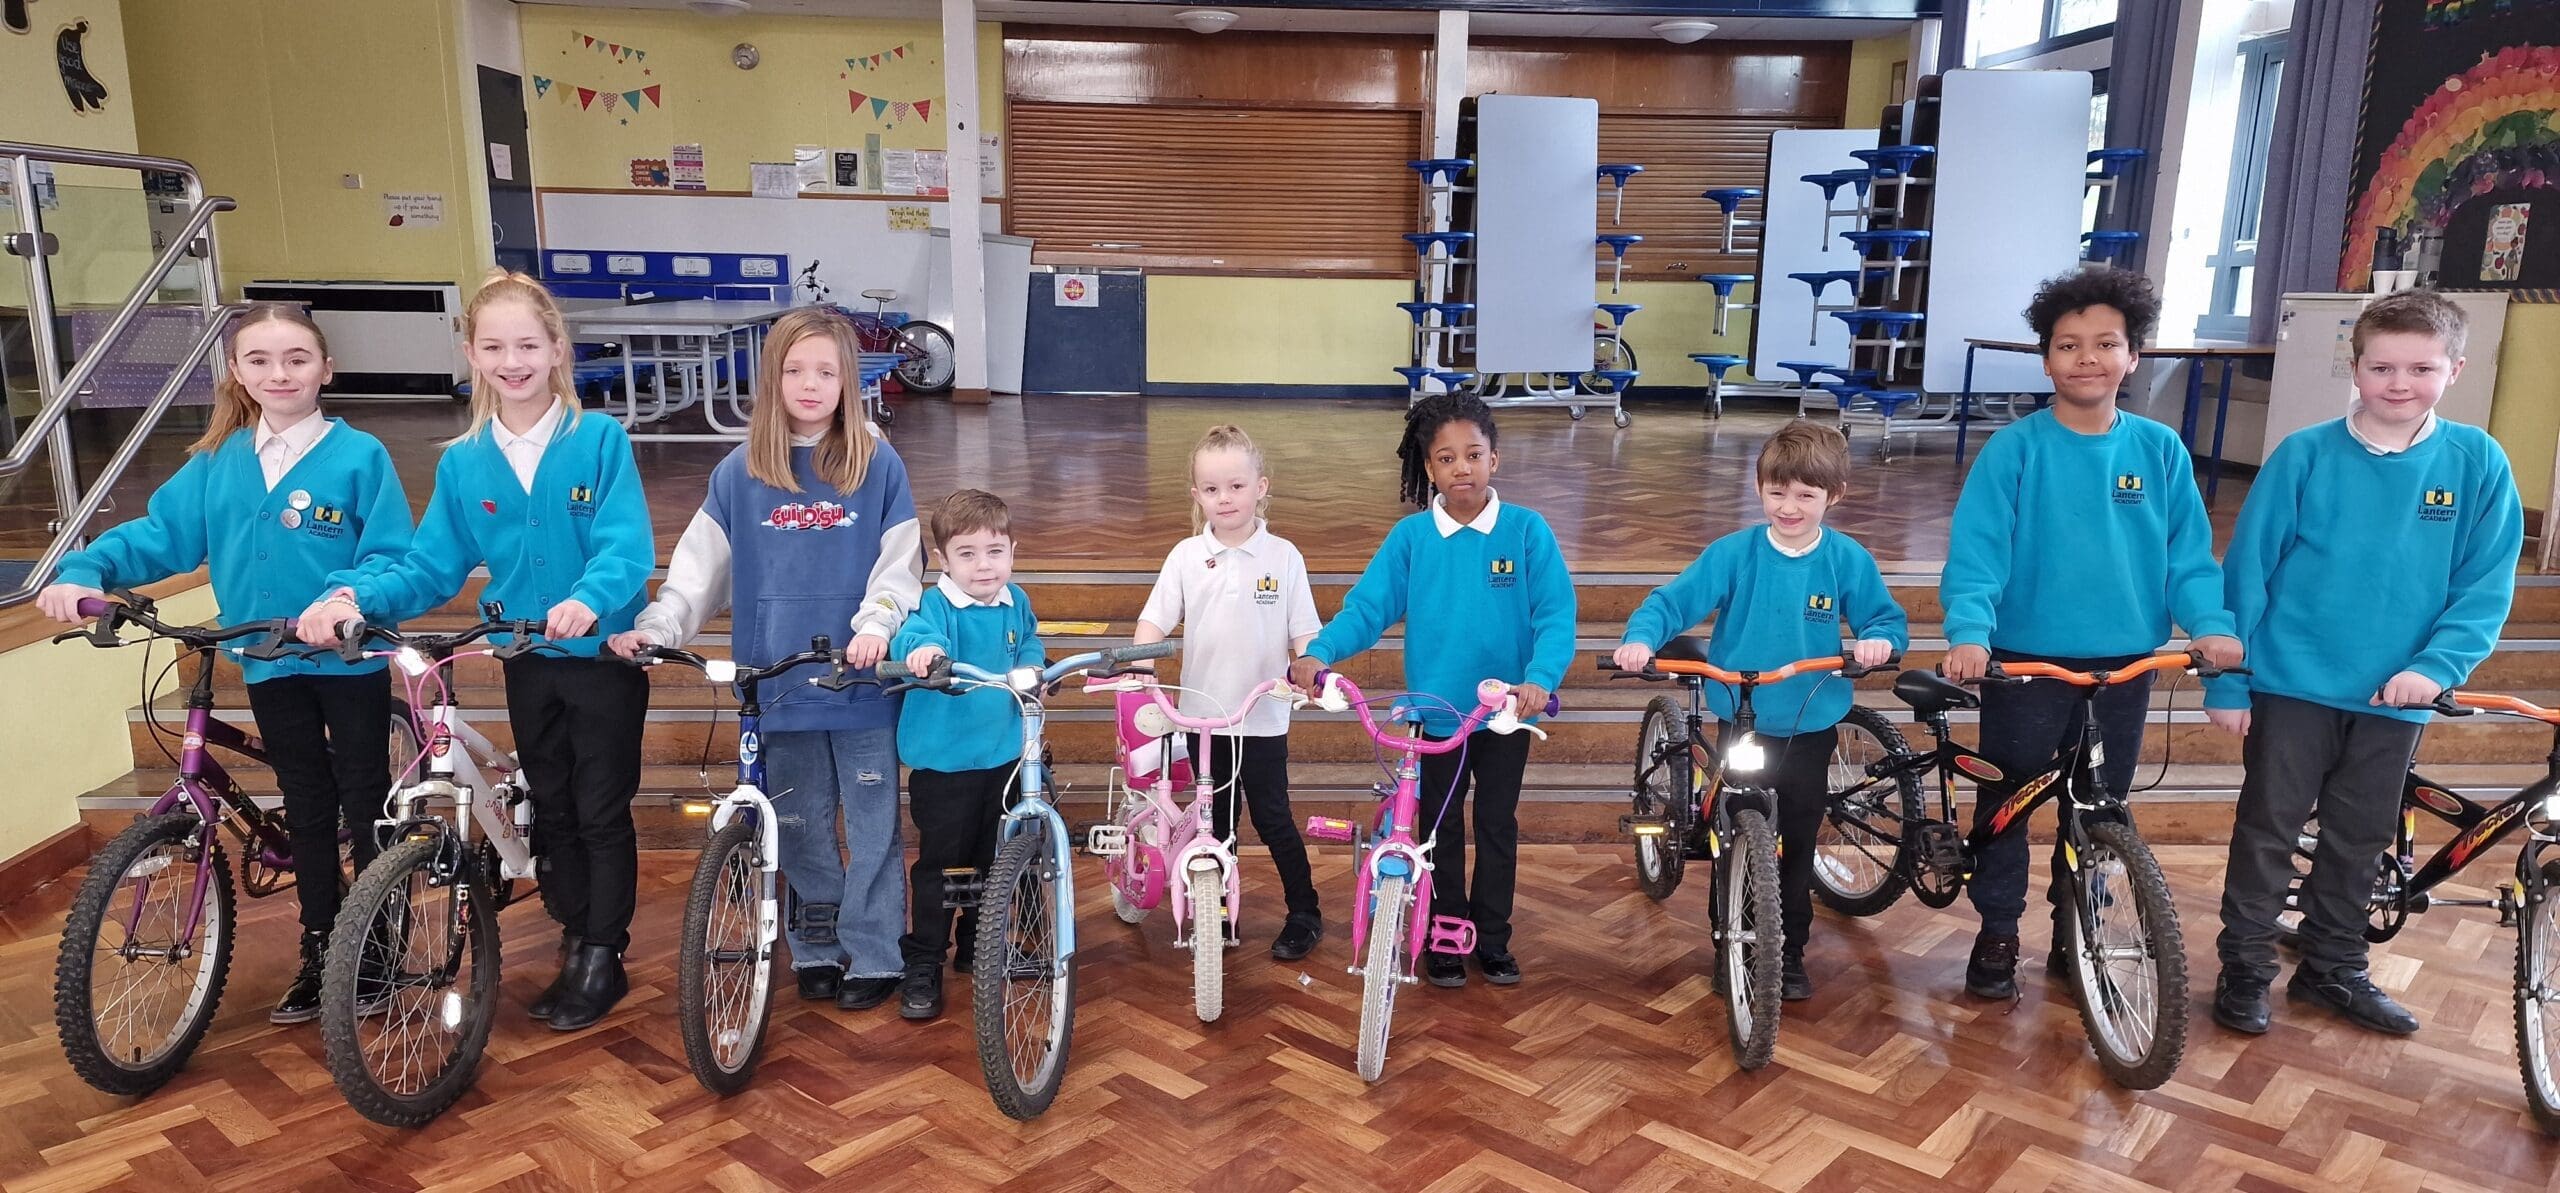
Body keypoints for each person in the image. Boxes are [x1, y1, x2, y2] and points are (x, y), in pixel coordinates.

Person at [38, 303, 413, 1026]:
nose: (281, 373)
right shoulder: (218, 461)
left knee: (364, 799)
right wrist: (86, 570)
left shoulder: (360, 454)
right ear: (237, 371)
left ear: (325, 369)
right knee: (305, 803)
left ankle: (376, 946)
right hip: (265, 659)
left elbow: (392, 552)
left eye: (297, 359)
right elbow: (159, 536)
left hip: (347, 657)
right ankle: (320, 946)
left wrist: (349, 594)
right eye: (262, 360)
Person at [301, 270, 655, 1033]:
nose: (512, 359)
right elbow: (434, 562)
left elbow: (627, 544)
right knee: (551, 802)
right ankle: (573, 923)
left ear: (557, 349)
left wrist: (589, 597)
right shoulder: (464, 461)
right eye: (494, 346)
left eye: (527, 343)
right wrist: (355, 597)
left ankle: (604, 950)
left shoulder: (598, 440)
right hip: (525, 658)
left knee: (599, 805)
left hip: (601, 658)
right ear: (471, 353)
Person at [2206, 289, 2522, 1037]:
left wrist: (2439, 666)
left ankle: (2332, 968)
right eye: (2382, 366)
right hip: (2292, 684)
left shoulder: (2477, 461)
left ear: (2455, 369)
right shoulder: (2305, 454)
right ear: (2356, 368)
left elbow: (2485, 584)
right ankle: (2246, 965)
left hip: (2396, 696)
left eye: (2421, 367)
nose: (2399, 383)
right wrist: (2229, 675)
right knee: (2268, 830)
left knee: (2358, 837)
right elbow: (2247, 571)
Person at [1937, 267, 2242, 1000]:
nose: (2086, 358)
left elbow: (2187, 558)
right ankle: (1998, 929)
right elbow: (1978, 553)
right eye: (2068, 345)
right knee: (2007, 801)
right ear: (2046, 359)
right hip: (2025, 662)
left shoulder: (2161, 450)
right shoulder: (2015, 450)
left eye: (2106, 343)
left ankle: (2080, 925)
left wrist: (2211, 627)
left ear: (2133, 356)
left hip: (2125, 666)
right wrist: (1971, 632)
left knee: (2101, 806)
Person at [610, 307, 923, 1012]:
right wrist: (659, 623)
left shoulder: (877, 464)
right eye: (794, 370)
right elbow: (699, 572)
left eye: (827, 371)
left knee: (872, 827)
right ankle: (816, 945)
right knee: (803, 823)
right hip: (776, 685)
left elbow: (901, 566)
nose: (810, 384)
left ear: (850, 380)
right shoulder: (740, 472)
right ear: (771, 377)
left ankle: (875, 951)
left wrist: (877, 624)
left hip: (861, 680)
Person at [1288, 393, 1576, 988]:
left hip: (1504, 716)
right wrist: (1318, 653)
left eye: (1474, 454)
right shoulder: (1412, 538)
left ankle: (1492, 938)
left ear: (1495, 459)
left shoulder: (1526, 531)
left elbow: (1555, 617)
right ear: (1430, 469)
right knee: (1440, 830)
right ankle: (1444, 930)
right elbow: (1367, 609)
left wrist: (1540, 681)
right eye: (1447, 458)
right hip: (1436, 717)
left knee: (1497, 824)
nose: (1462, 467)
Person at [1613, 421, 1907, 1000]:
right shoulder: (1735, 553)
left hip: (1811, 717)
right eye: (1777, 492)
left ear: (1834, 496)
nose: (1789, 507)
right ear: (1758, 487)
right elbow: (1672, 602)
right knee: (1735, 831)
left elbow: (1885, 620)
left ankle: (1787, 949)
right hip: (1741, 714)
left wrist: (1878, 642)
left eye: (1806, 495)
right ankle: (1731, 939)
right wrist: (1641, 638)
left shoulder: (1846, 560)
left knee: (1797, 837)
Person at [1132, 424, 1326, 959]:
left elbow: (1304, 634)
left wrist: (1310, 670)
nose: (1226, 498)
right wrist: (1142, 667)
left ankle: (1304, 911)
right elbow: (1153, 623)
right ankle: (1214, 911)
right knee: (1213, 822)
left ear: (1261, 487)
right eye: (1213, 489)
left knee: (1272, 818)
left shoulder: (1283, 556)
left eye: (1237, 486)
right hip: (1201, 718)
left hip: (1262, 718)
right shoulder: (1186, 556)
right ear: (1196, 495)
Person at [889, 489, 1045, 1019]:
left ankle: (979, 946)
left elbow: (1029, 641)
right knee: (941, 865)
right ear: (943, 559)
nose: (984, 565)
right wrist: (925, 653)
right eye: (969, 553)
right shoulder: (935, 605)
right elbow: (913, 634)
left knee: (991, 859)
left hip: (1002, 759)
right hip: (945, 765)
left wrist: (1032, 667)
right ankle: (926, 959)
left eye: (995, 551)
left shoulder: (1014, 601)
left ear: (1012, 550)